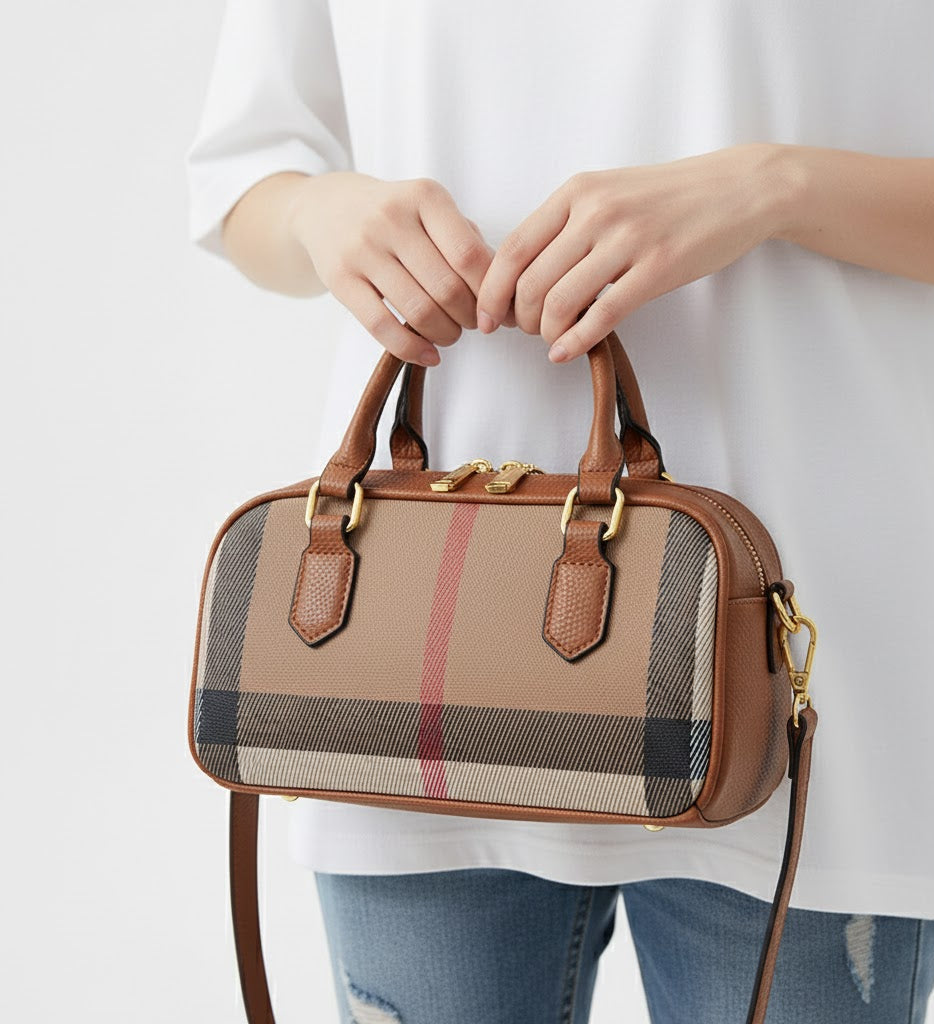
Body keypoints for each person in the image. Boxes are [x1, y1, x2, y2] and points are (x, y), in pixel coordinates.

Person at [185, 2, 934, 1020]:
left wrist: (772, 186)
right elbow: (241, 178)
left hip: (804, 652)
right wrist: (323, 216)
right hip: (412, 662)